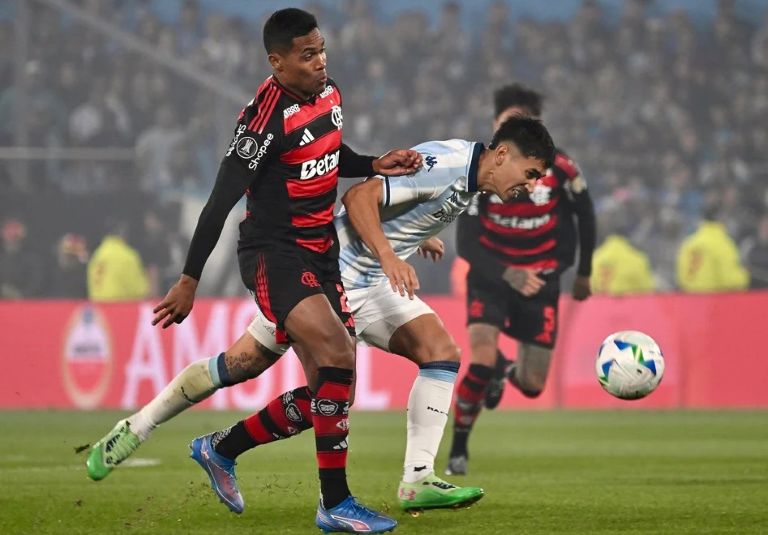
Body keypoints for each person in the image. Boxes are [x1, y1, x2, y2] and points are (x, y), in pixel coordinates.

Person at [86, 8, 421, 533]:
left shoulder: (330, 93)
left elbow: (329, 153)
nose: (320, 61)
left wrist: (372, 163)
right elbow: (220, 201)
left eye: (321, 50)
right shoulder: (262, 122)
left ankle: (221, 448)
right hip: (274, 253)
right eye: (307, 55)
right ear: (277, 62)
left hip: (321, 252)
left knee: (332, 391)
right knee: (337, 354)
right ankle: (335, 504)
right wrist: (189, 278)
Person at [193, 115, 553, 517]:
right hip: (332, 275)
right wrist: (388, 255)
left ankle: (417, 480)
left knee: (440, 352)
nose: (531, 185)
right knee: (323, 392)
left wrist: (418, 237)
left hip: (370, 281)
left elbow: (404, 202)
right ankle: (226, 450)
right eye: (531, 173)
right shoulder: (449, 163)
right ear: (502, 155)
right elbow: (360, 197)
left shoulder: (470, 177)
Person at [446, 84, 596, 476]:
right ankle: (458, 448)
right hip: (492, 277)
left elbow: (584, 214)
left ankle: (507, 370)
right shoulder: (480, 169)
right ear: (496, 123)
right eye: (507, 121)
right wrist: (507, 273)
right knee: (480, 359)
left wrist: (582, 271)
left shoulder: (561, 168)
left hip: (540, 280)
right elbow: (466, 242)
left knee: (532, 384)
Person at [676, 201, 749, 292]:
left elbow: (681, 277)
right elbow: (730, 280)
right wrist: (744, 275)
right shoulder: (723, 243)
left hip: (689, 297)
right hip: (713, 297)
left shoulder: (689, 243)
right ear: (722, 217)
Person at [87, 220, 149, 302]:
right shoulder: (127, 256)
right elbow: (139, 291)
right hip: (119, 306)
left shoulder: (97, 254)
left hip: (98, 307)